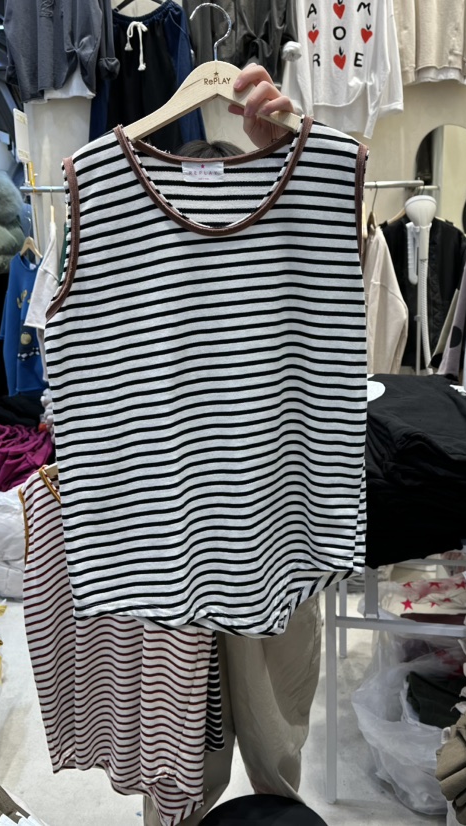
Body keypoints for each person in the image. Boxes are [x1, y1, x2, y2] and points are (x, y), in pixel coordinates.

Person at [142, 64, 324, 826]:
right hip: (164, 531)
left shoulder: (299, 215)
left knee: (275, 721)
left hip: (273, 522)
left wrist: (293, 154)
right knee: (177, 743)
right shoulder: (118, 214)